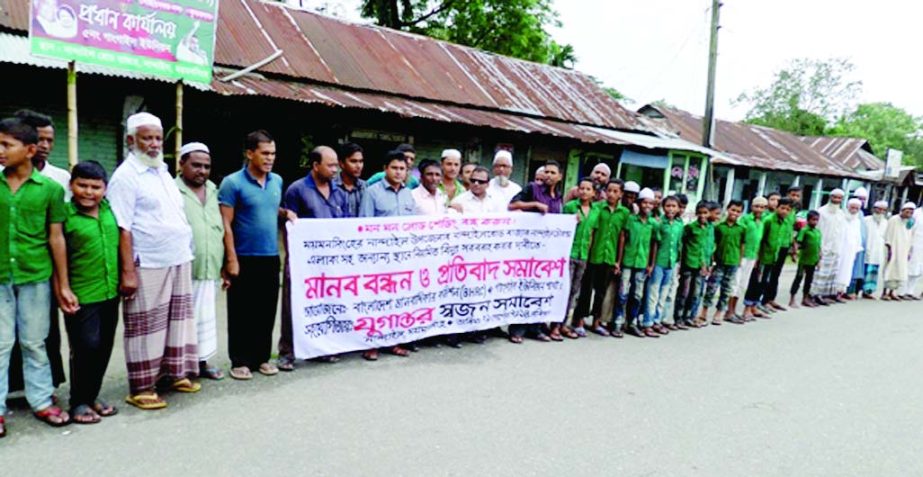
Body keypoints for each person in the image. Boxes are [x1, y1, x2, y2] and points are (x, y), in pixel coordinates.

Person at [108, 112, 200, 410]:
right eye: (147, 138)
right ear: (131, 140)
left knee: (176, 321)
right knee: (146, 325)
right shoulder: (126, 176)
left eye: (158, 138)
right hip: (147, 262)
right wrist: (127, 272)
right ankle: (142, 386)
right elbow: (122, 227)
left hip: (177, 257)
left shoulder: (161, 170)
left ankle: (172, 374)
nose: (154, 144)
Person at [0, 117, 72, 436]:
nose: (0, 151)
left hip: (35, 277)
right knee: (0, 344)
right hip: (1, 276)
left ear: (30, 150)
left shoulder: (52, 190)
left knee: (34, 342)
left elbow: (56, 238)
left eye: (6, 145)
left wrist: (64, 285)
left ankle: (41, 400)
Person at [219, 130, 294, 380]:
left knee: (265, 309)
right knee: (242, 310)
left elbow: (269, 208)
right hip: (243, 256)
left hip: (270, 256)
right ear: (249, 153)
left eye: (273, 153)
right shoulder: (232, 183)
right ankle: (239, 360)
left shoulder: (277, 181)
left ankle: (261, 357)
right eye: (265, 153)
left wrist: (285, 214)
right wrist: (230, 259)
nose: (270, 158)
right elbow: (226, 223)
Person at [60, 161, 121, 424]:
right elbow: (56, 256)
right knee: (85, 347)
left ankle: (93, 396)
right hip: (81, 293)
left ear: (105, 189)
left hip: (110, 291)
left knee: (104, 346)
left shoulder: (110, 210)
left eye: (95, 187)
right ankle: (79, 402)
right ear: (71, 185)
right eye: (82, 185)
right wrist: (62, 289)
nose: (88, 192)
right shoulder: (65, 215)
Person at [279, 146, 349, 369]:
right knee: (293, 305)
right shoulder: (297, 190)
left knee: (327, 304)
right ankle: (287, 352)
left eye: (336, 164)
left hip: (330, 262)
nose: (335, 169)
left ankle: (322, 347)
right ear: (315, 165)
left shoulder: (339, 192)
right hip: (303, 263)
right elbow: (288, 226)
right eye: (330, 165)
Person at [359, 150, 417, 359]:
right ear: (385, 169)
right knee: (376, 302)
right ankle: (372, 345)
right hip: (379, 258)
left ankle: (394, 342)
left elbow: (415, 226)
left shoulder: (409, 193)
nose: (399, 172)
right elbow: (364, 225)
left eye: (402, 169)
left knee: (398, 302)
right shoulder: (372, 192)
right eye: (394, 168)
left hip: (402, 258)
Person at [176, 142, 225, 381]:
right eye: (196, 165)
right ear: (181, 164)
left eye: (206, 166)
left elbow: (222, 228)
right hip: (183, 269)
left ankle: (202, 362)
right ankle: (179, 368)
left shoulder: (214, 190)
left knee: (206, 318)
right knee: (182, 321)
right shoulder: (171, 189)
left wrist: (227, 263)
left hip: (211, 267)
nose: (202, 171)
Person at [507, 160, 563, 343]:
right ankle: (517, 329)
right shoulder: (533, 188)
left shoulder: (558, 197)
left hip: (548, 252)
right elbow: (512, 205)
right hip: (528, 250)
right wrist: (534, 205)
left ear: (560, 177)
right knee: (525, 288)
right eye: (546, 171)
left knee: (541, 289)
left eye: (553, 172)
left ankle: (536, 328)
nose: (548, 175)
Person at [572, 179, 629, 337]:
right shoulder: (596, 208)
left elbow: (622, 237)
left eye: (615, 191)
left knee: (601, 292)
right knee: (586, 291)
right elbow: (591, 232)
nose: (611, 194)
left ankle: (596, 322)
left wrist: (618, 260)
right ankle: (579, 322)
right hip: (592, 256)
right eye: (609, 190)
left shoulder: (624, 213)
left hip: (609, 258)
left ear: (620, 194)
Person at [560, 178, 599, 338]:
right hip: (569, 253)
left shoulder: (595, 211)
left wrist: (588, 254)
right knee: (564, 289)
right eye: (581, 188)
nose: (584, 191)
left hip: (583, 255)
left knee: (574, 291)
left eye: (588, 189)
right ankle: (557, 324)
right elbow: (560, 228)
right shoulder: (570, 207)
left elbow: (591, 233)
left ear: (594, 193)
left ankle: (565, 323)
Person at [617, 188, 658, 338]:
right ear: (639, 204)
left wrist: (651, 264)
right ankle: (618, 322)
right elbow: (623, 238)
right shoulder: (631, 219)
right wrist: (618, 261)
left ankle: (632, 323)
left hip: (642, 263)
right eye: (644, 203)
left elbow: (654, 243)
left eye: (650, 203)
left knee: (637, 295)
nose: (647, 206)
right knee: (622, 293)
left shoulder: (653, 223)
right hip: (627, 261)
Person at [744, 198, 793, 320]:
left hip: (773, 258)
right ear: (777, 207)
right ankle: (748, 308)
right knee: (755, 282)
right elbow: (761, 239)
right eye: (782, 208)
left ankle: (755, 305)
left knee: (764, 282)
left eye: (788, 209)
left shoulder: (786, 222)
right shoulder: (768, 220)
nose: (784, 211)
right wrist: (757, 257)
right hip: (762, 257)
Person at [702, 200, 746, 325]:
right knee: (712, 287)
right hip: (719, 262)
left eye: (738, 211)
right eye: (733, 210)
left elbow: (742, 246)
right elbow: (713, 243)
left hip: (733, 262)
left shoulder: (742, 228)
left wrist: (739, 261)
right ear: (728, 209)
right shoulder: (719, 227)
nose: (735, 213)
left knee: (726, 289)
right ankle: (704, 311)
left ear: (741, 213)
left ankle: (719, 312)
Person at [645, 195, 683, 333]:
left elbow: (679, 245)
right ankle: (648, 322)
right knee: (653, 293)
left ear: (679, 208)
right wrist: (651, 264)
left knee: (663, 294)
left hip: (671, 263)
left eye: (674, 206)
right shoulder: (659, 223)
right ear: (663, 207)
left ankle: (657, 320)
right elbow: (655, 244)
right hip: (658, 263)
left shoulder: (679, 225)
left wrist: (678, 264)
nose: (671, 209)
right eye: (668, 206)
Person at [728, 196, 767, 320]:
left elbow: (759, 242)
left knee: (743, 285)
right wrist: (739, 257)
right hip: (741, 257)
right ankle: (729, 311)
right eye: (757, 206)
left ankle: (734, 312)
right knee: (735, 284)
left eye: (762, 207)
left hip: (751, 257)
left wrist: (756, 258)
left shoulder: (761, 223)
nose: (759, 209)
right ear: (752, 206)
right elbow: (740, 240)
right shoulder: (745, 220)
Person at [764, 187, 801, 311]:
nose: (794, 198)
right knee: (766, 273)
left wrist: (793, 248)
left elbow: (791, 230)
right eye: (792, 195)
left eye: (797, 196)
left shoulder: (792, 212)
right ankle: (763, 300)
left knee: (776, 274)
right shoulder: (770, 216)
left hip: (784, 245)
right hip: (772, 246)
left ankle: (771, 299)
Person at [674, 201, 710, 328]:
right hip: (688, 263)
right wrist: (680, 263)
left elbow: (704, 248)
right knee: (684, 291)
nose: (702, 216)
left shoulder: (707, 229)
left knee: (695, 293)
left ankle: (688, 316)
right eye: (699, 213)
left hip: (700, 265)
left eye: (705, 213)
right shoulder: (690, 228)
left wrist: (705, 264)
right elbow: (682, 245)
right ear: (696, 213)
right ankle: (678, 317)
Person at [812, 189, 847, 304]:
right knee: (820, 272)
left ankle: (828, 294)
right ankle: (816, 294)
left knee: (832, 272)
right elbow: (817, 230)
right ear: (830, 197)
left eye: (839, 198)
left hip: (835, 247)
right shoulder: (821, 212)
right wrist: (819, 247)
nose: (836, 200)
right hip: (824, 245)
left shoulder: (841, 213)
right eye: (834, 197)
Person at [882, 203, 915, 300]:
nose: (908, 214)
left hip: (903, 250)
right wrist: (889, 249)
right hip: (893, 248)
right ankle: (884, 293)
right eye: (907, 212)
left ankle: (892, 292)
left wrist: (909, 251)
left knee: (899, 271)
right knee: (889, 270)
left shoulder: (910, 222)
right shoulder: (894, 220)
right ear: (902, 210)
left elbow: (910, 237)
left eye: (911, 212)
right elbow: (888, 235)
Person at [790, 210, 822, 308]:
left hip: (813, 260)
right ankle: (792, 299)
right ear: (808, 220)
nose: (815, 222)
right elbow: (797, 242)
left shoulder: (818, 232)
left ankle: (805, 298)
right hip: (804, 259)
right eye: (813, 220)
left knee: (809, 280)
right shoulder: (804, 230)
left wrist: (819, 258)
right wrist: (794, 253)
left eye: (817, 220)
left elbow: (818, 246)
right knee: (798, 278)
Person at [835, 198, 865, 301]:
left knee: (846, 272)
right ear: (848, 207)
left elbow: (857, 236)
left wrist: (857, 249)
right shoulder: (841, 218)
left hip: (850, 251)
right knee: (837, 270)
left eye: (857, 208)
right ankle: (831, 293)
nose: (854, 210)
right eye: (852, 207)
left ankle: (840, 293)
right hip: (839, 249)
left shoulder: (857, 221)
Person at [862, 200, 889, 299]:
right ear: (874, 209)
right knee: (862, 270)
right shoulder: (866, 220)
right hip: (866, 248)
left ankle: (868, 292)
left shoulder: (886, 222)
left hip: (878, 250)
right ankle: (856, 291)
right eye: (878, 209)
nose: (880, 211)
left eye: (883, 210)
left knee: (873, 272)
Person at [332, 142, 366, 218]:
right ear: (341, 164)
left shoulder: (366, 187)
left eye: (361, 161)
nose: (359, 166)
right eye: (353, 161)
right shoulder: (330, 186)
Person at [900, 205, 923, 300]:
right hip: (914, 243)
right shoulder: (916, 213)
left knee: (919, 270)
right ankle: (902, 291)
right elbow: (908, 226)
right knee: (909, 267)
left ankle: (910, 291)